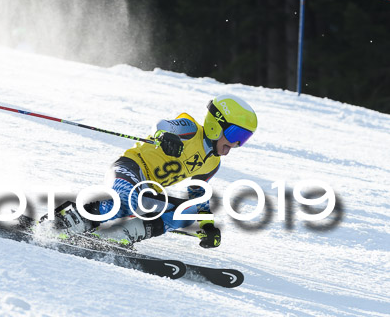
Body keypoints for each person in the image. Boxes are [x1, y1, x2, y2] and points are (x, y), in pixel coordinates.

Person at [49, 94, 258, 248]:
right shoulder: (191, 129)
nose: (236, 143)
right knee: (127, 199)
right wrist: (166, 137)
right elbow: (161, 125)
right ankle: (66, 222)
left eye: (244, 139)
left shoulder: (212, 163)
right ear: (217, 125)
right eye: (235, 134)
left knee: (188, 211)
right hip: (129, 168)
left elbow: (198, 195)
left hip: (146, 189)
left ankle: (119, 236)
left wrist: (208, 225)